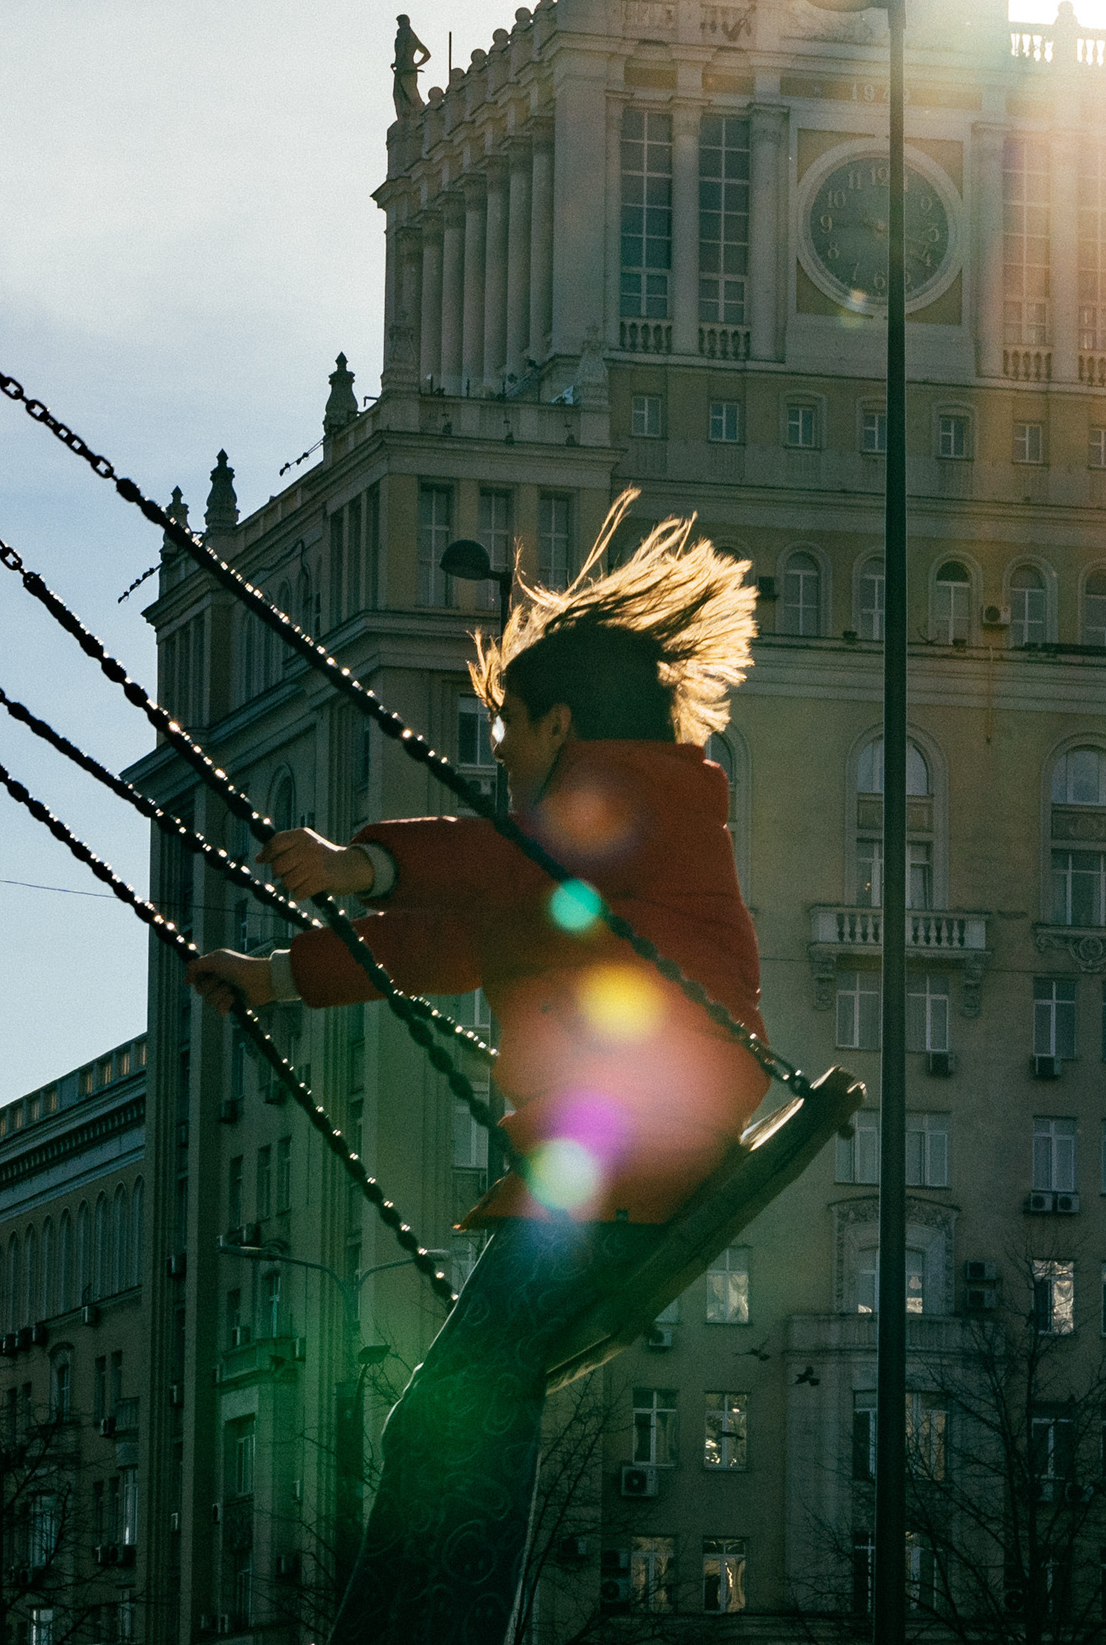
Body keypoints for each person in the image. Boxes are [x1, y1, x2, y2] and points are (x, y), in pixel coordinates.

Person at [186, 495, 764, 1645]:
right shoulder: (590, 854)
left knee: (459, 1407)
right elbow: (457, 941)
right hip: (614, 1156)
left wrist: (364, 862)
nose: (493, 748)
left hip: (624, 1151)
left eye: (504, 726)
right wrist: (275, 979)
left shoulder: (630, 803)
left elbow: (495, 874)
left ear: (557, 724)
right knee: (451, 1412)